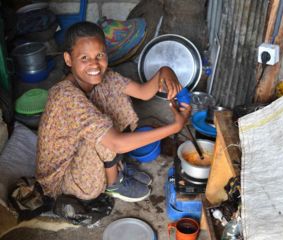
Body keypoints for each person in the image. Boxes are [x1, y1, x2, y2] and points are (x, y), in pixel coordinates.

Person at [36, 21, 191, 203]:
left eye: (99, 55)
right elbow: (116, 143)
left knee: (111, 95)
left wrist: (165, 71)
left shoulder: (105, 77)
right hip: (63, 181)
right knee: (103, 133)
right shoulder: (66, 97)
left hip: (80, 155)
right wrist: (174, 127)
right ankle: (113, 183)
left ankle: (116, 166)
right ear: (69, 59)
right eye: (84, 58)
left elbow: (142, 92)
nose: (94, 64)